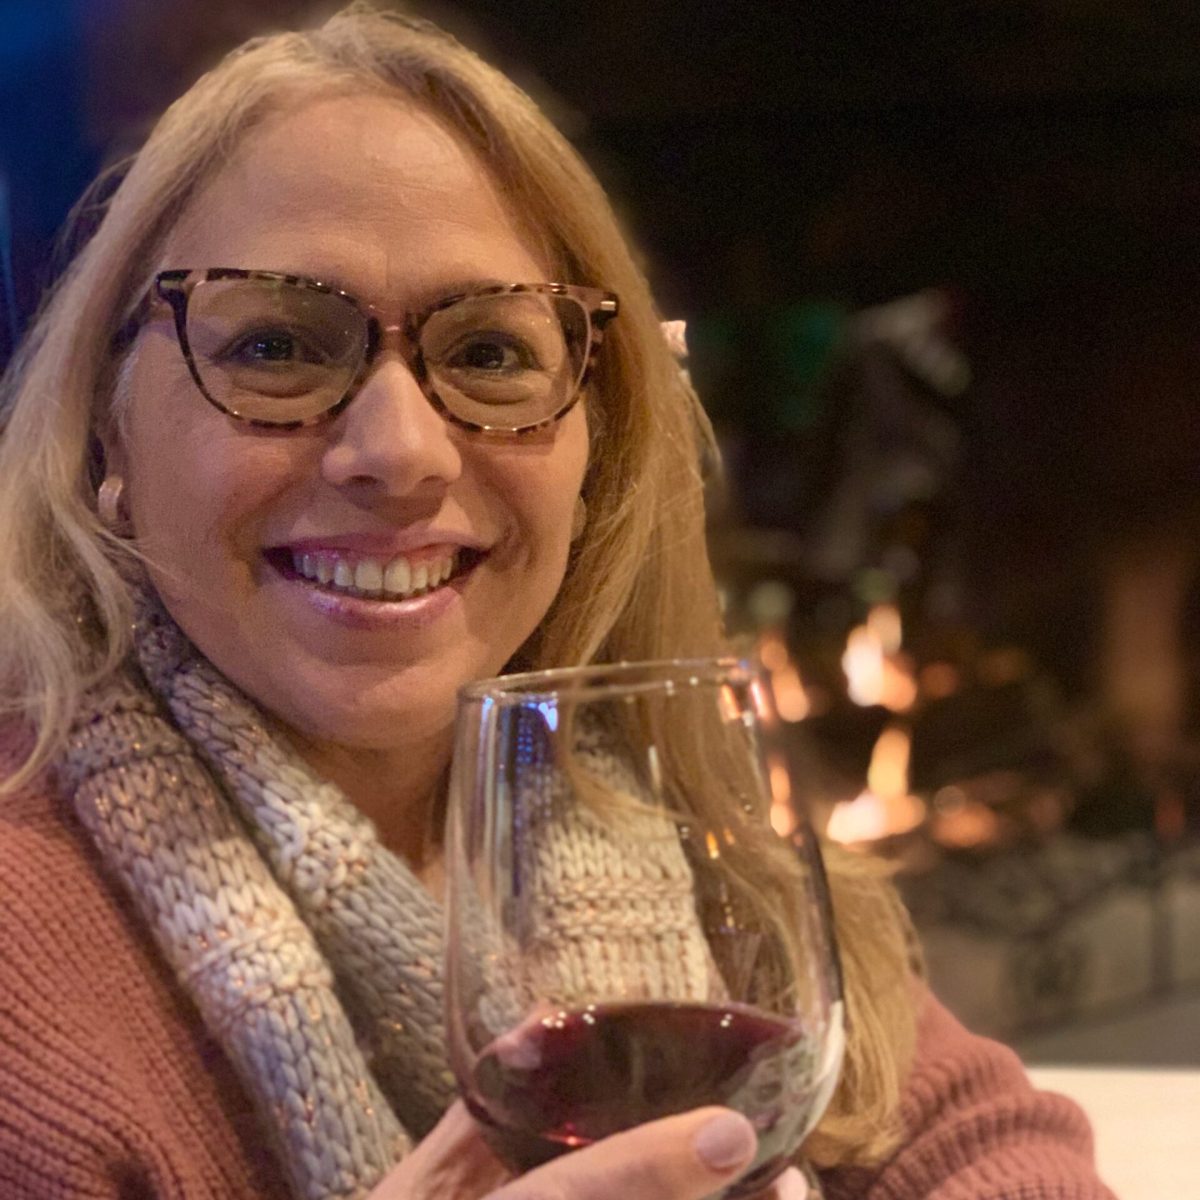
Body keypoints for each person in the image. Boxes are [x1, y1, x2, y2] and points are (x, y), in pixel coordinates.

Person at [0, 5, 1113, 1199]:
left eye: (488, 354)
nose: (402, 451)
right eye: (276, 345)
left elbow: (978, 1142)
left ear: (597, 455)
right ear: (106, 435)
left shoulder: (668, 813)